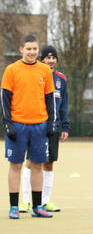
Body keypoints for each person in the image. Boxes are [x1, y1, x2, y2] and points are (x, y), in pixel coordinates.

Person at [1, 33, 56, 219]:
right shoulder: (11, 70)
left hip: (39, 125)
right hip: (17, 124)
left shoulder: (45, 70)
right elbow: (5, 99)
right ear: (21, 49)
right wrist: (8, 124)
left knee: (38, 165)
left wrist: (51, 123)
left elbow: (50, 100)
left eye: (34, 49)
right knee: (15, 165)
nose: (32, 52)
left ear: (38, 50)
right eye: (28, 49)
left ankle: (37, 206)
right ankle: (14, 207)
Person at [18, 46, 70, 213]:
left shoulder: (61, 79)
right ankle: (25, 201)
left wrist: (65, 126)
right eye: (47, 58)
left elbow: (64, 106)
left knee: (49, 164)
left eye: (53, 58)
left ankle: (45, 201)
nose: (51, 61)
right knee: (31, 162)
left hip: (53, 128)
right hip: (36, 125)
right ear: (42, 59)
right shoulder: (35, 75)